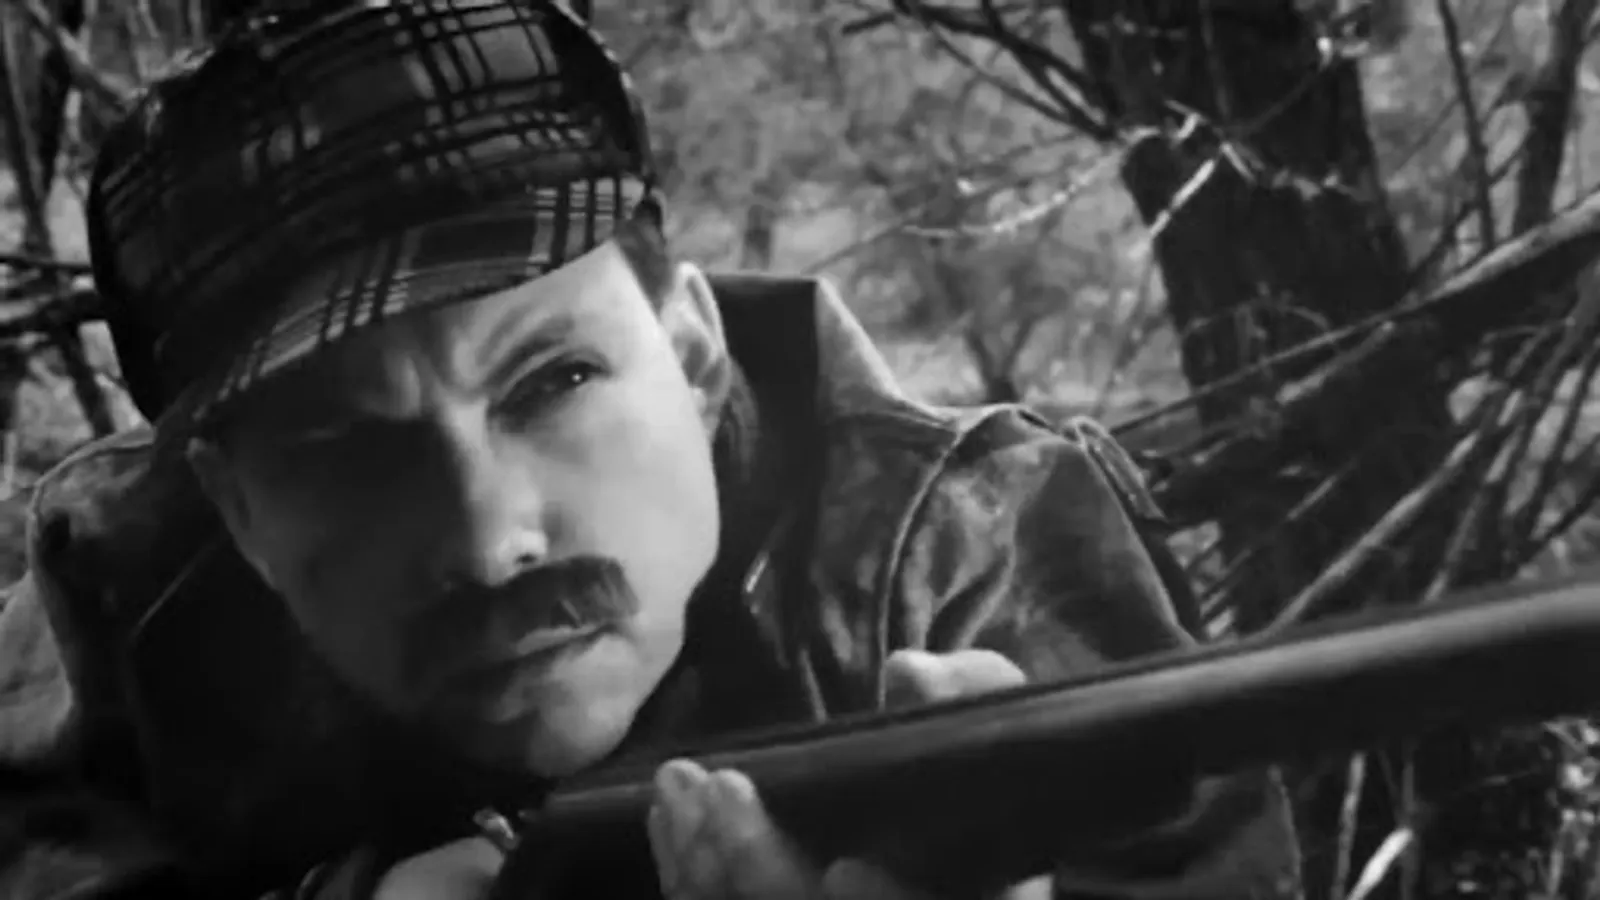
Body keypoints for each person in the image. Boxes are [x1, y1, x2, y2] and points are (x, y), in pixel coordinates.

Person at [0, 2, 1303, 898]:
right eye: (349, 452)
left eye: (553, 380)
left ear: (691, 352)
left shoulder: (968, 547)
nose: (489, 538)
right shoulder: (121, 595)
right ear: (233, 512)